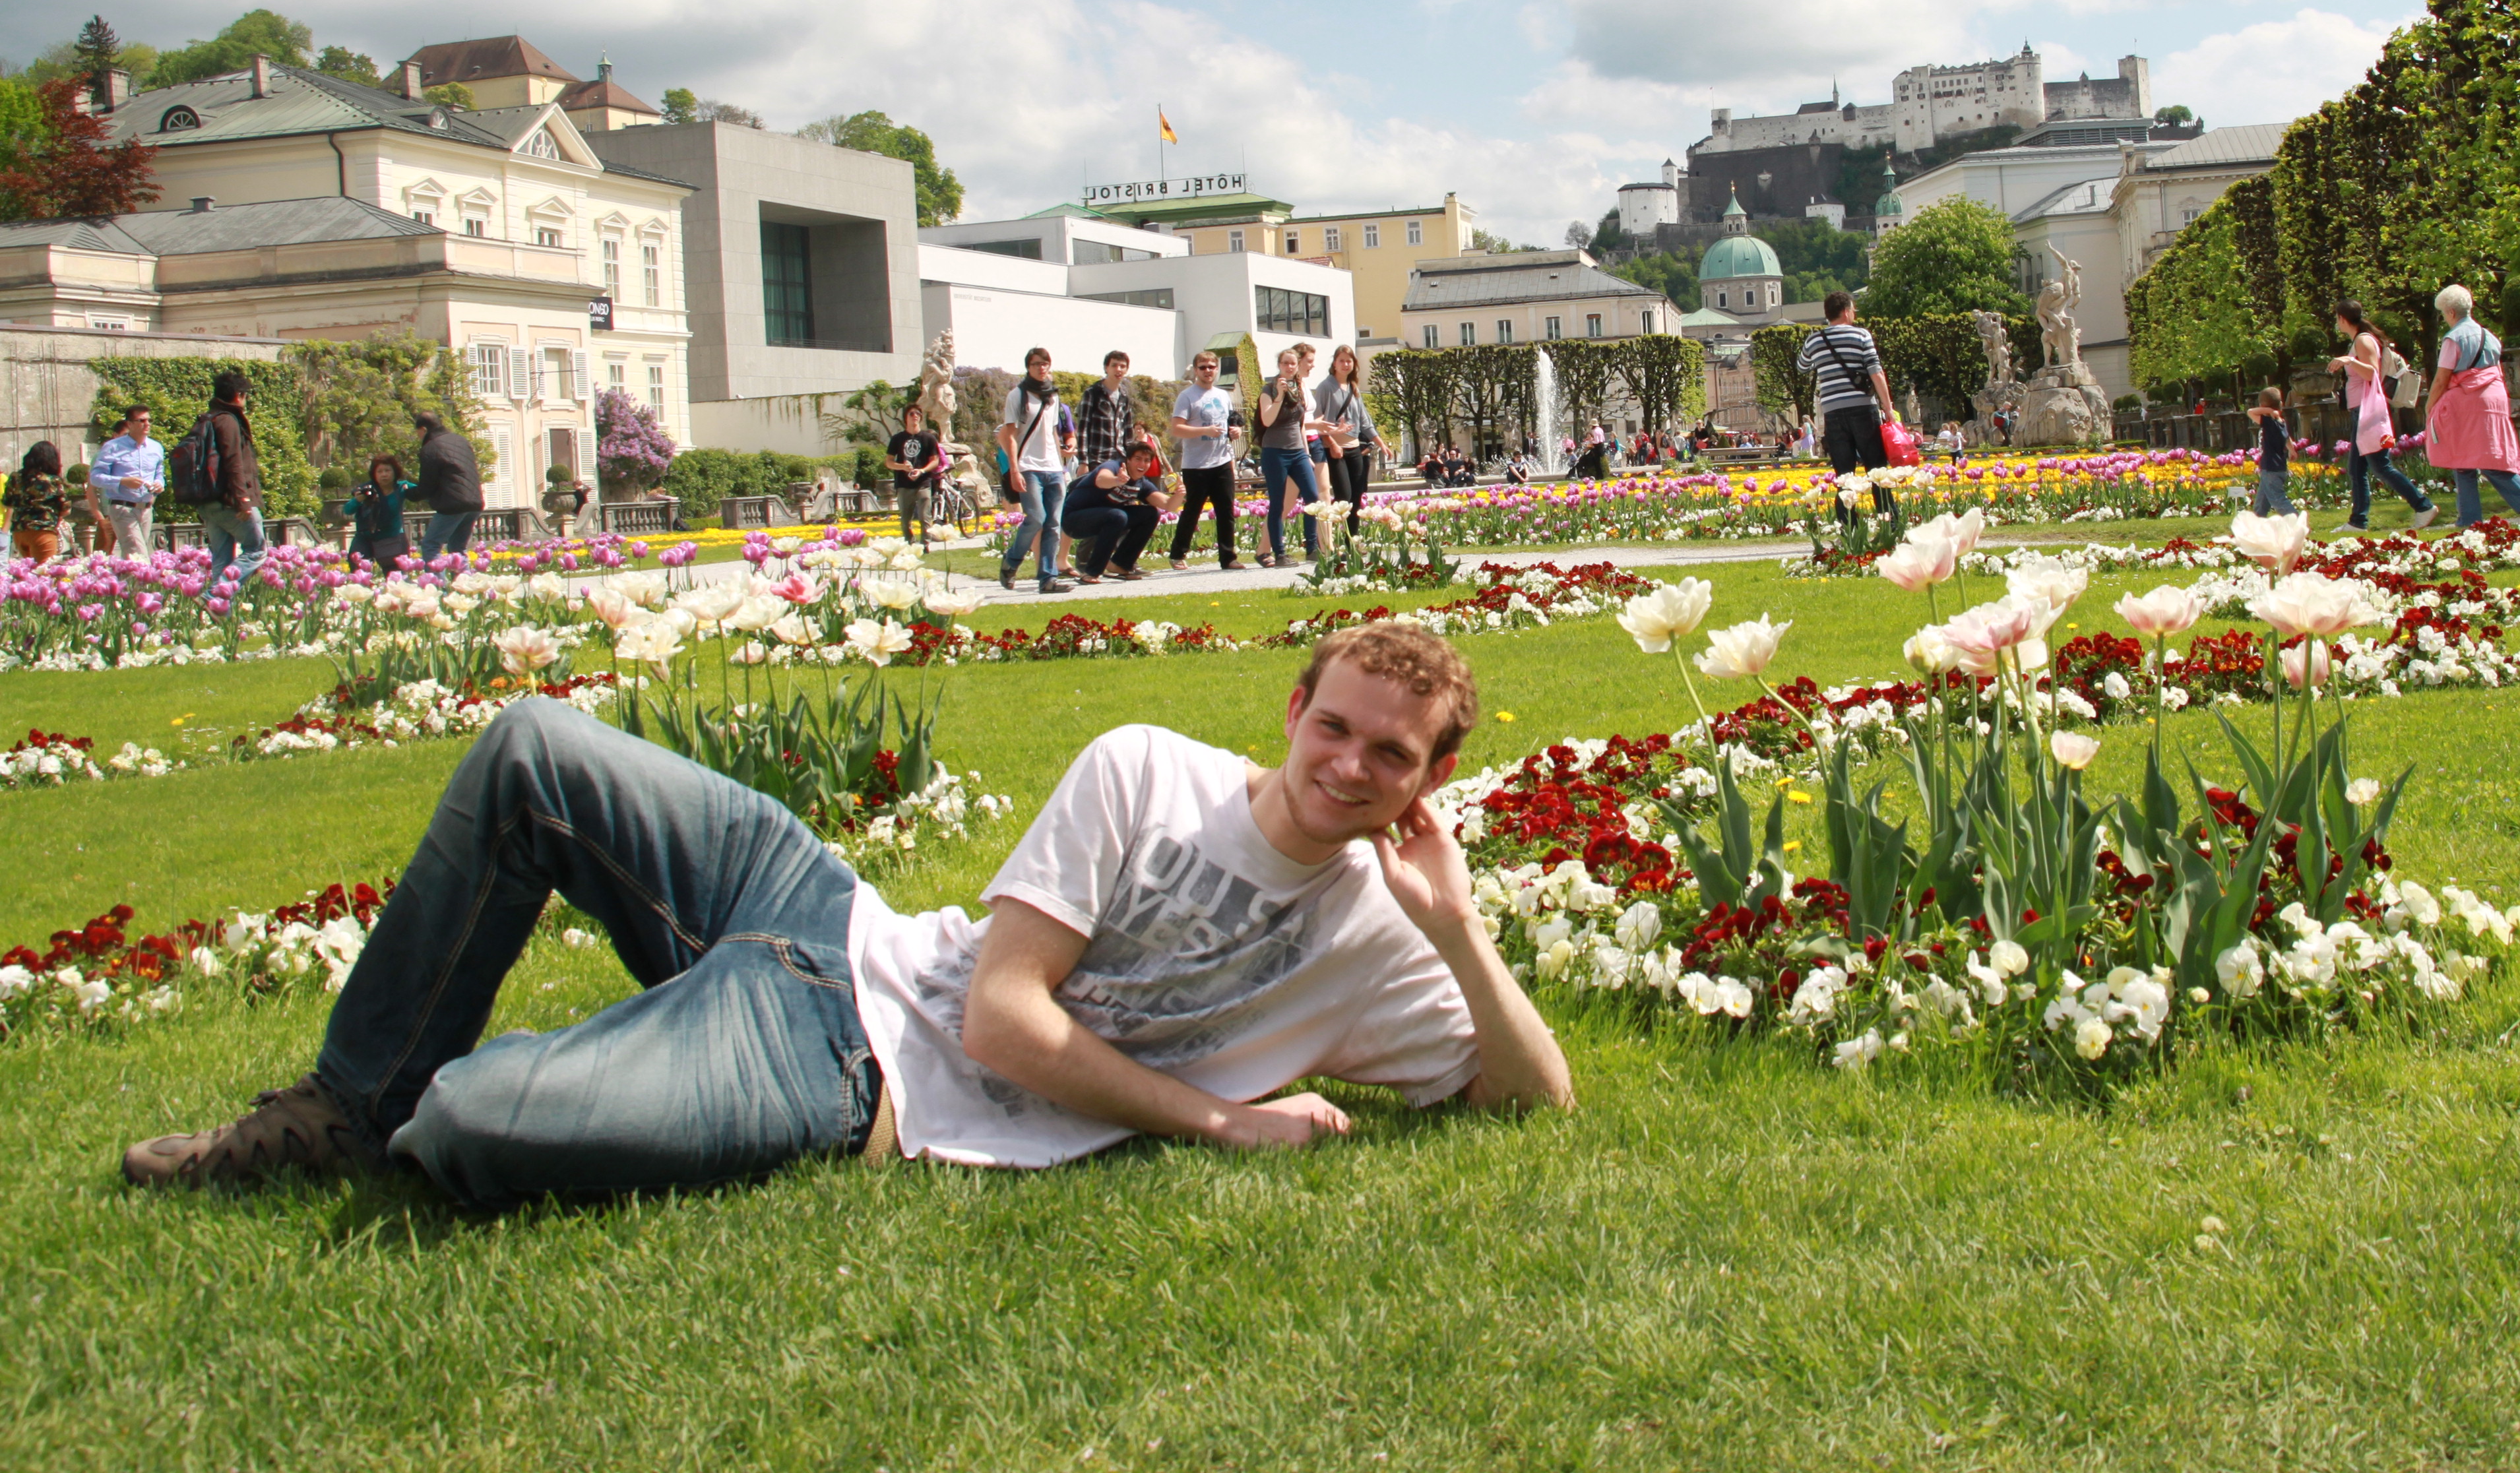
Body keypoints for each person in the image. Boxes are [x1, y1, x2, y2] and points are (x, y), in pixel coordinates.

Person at [119, 619, 1573, 1202]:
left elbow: (1535, 1100)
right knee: (532, 749)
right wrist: (1226, 1119)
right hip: (833, 922)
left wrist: (1453, 928)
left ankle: (490, 1083)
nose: (1349, 766)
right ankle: (330, 1104)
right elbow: (1006, 1019)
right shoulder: (1145, 770)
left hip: (849, 1073)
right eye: (1335, 728)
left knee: (475, 1130)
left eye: (1391, 755)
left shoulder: (1378, 936)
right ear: (1295, 710)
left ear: (1430, 779)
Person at [2423, 284, 2520, 528]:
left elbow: (2442, 377)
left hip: (2468, 401)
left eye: (2444, 314)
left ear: (2451, 313)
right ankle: (2470, 518)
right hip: (2494, 397)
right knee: (2476, 456)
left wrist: (2430, 405)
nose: (2445, 319)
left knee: (2463, 457)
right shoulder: (2490, 336)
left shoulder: (2453, 338)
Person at [2328, 301, 2438, 532]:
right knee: (2357, 469)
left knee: (2380, 466)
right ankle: (2358, 521)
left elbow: (2372, 373)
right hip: (2361, 410)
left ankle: (2423, 506)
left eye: (2337, 318)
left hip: (2367, 411)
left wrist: (2349, 361)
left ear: (2342, 318)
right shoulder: (2360, 339)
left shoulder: (2363, 340)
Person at [1798, 291, 1902, 517]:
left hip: (1833, 412)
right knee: (1877, 470)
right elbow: (1876, 372)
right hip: (1864, 408)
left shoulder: (1815, 340)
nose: (1854, 314)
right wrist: (1888, 407)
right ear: (1846, 311)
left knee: (1844, 474)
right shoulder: (1862, 336)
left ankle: (1848, 528)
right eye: (1853, 310)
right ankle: (1889, 521)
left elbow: (1802, 366)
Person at [996, 348, 1077, 594]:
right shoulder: (1017, 396)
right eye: (1036, 364)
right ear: (1028, 367)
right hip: (1028, 466)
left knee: (1053, 523)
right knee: (1036, 518)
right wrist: (1014, 469)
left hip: (1053, 467)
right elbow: (1009, 435)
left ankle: (1047, 578)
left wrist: (1063, 461)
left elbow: (1053, 430)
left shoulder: (1053, 396)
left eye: (1045, 364)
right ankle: (1011, 562)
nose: (1042, 368)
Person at [1165, 350, 1242, 573]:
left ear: (1217, 369)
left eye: (1212, 367)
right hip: (1196, 464)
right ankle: (1178, 554)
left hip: (1222, 460)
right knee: (1193, 510)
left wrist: (1234, 430)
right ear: (1196, 370)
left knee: (1226, 510)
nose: (1208, 371)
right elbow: (1177, 428)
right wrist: (1205, 430)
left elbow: (1231, 422)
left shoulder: (1223, 395)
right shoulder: (1187, 396)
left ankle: (1228, 558)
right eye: (1203, 367)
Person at [1064, 431, 1177, 581]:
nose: (1142, 464)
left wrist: (1179, 494)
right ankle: (1091, 572)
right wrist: (1117, 480)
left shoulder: (1141, 484)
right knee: (1117, 516)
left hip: (1105, 518)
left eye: (1146, 460)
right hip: (1074, 520)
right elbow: (1101, 480)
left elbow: (1168, 505)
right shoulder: (1113, 467)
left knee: (1151, 514)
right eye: (1138, 459)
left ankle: (1120, 565)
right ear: (1128, 460)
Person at [1253, 344, 1322, 566]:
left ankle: (1312, 548)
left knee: (1313, 497)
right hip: (1275, 452)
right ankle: (1280, 553)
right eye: (1285, 364)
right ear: (1279, 366)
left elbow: (1300, 424)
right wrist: (1280, 396)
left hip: (1297, 452)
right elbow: (1267, 420)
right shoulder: (1269, 389)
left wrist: (1306, 452)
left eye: (1293, 364)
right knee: (1278, 503)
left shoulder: (1299, 388)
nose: (1290, 367)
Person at [201, 371, 267, 579]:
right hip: (231, 501)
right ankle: (214, 597)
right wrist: (243, 500)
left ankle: (217, 608)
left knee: (221, 558)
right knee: (257, 550)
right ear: (239, 395)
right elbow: (234, 463)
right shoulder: (228, 421)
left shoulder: (208, 419)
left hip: (209, 500)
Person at [1315, 347, 1383, 538]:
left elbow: (1365, 421)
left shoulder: (1353, 388)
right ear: (1334, 363)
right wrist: (1332, 443)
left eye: (1349, 361)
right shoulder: (1326, 387)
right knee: (1343, 497)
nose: (1346, 364)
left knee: (1356, 498)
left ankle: (1352, 541)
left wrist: (1381, 443)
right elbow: (1319, 421)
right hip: (1335, 450)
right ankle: (1334, 538)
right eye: (1342, 360)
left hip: (1354, 449)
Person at [91, 404, 166, 557]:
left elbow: (159, 473)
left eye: (149, 420)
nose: (147, 424)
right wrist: (123, 481)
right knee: (137, 554)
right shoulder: (112, 447)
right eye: (142, 420)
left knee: (133, 557)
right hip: (122, 507)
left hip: (146, 509)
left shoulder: (156, 448)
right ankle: (145, 581)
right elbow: (96, 477)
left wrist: (160, 484)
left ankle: (124, 580)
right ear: (130, 424)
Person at [413, 412, 485, 562]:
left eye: (417, 431)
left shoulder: (430, 448)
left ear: (424, 430)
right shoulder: (460, 440)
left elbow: (427, 487)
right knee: (457, 548)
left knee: (431, 545)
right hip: (475, 502)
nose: (418, 436)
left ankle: (436, 583)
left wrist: (409, 493)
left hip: (453, 504)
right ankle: (464, 584)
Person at [883, 402, 944, 548]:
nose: (915, 416)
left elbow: (935, 461)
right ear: (906, 418)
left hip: (923, 483)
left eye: (918, 414)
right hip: (904, 485)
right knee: (905, 520)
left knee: (925, 517)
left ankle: (925, 545)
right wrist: (902, 467)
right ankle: (910, 544)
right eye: (912, 414)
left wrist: (922, 470)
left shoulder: (928, 438)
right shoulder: (897, 439)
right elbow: (889, 462)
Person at [344, 455, 418, 573]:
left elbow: (422, 493)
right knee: (358, 570)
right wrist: (358, 500)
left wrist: (411, 492)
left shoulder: (401, 487)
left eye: (387, 471)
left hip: (391, 538)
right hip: (365, 536)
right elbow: (347, 510)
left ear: (395, 472)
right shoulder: (367, 489)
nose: (384, 475)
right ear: (374, 474)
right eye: (380, 471)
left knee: (395, 577)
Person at [9, 442, 68, 563]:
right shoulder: (53, 480)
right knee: (45, 573)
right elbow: (65, 508)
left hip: (19, 531)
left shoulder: (16, 477)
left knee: (28, 573)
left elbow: (8, 502)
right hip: (43, 531)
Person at [2247, 388, 2296, 517]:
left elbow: (2250, 412)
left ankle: (2295, 520)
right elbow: (2287, 439)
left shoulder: (2269, 422)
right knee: (2262, 502)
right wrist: (2293, 451)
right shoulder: (2281, 422)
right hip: (2278, 467)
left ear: (2262, 405)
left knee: (2278, 500)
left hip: (2271, 468)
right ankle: (2258, 522)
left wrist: (2268, 411)